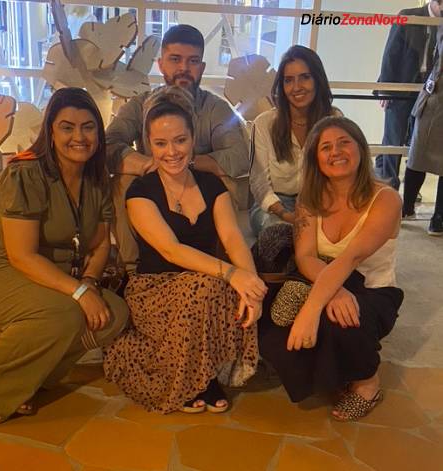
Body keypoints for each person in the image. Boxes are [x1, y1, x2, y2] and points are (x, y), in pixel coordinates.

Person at [0, 88, 129, 425]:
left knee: (114, 314)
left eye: (88, 127)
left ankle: (26, 382)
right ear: (50, 132)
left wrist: (89, 282)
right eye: (67, 127)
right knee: (65, 313)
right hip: (2, 271)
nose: (79, 137)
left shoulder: (96, 178)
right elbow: (22, 256)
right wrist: (79, 292)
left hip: (57, 278)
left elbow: (101, 244)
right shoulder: (26, 173)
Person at [103, 86, 266, 414]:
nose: (171, 152)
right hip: (154, 289)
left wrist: (251, 285)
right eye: (160, 143)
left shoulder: (212, 185)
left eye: (180, 140)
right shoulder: (140, 191)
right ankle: (196, 382)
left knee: (221, 286)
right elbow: (172, 251)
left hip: (205, 284)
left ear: (193, 140)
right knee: (208, 285)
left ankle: (204, 372)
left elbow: (232, 238)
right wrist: (232, 274)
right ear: (149, 144)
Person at [260, 116, 404, 421]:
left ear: (360, 148)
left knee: (339, 320)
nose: (335, 152)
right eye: (325, 147)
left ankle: (367, 383)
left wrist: (312, 308)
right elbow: (306, 257)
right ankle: (335, 374)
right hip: (325, 279)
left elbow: (351, 257)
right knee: (274, 324)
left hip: (371, 289)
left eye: (343, 143)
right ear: (316, 158)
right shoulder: (309, 199)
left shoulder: (386, 199)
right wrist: (333, 292)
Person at [106, 24, 249, 267]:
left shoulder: (215, 108)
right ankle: (131, 269)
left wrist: (187, 163)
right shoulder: (140, 105)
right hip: (153, 190)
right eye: (175, 59)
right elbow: (108, 144)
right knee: (123, 182)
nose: (184, 68)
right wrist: (148, 165)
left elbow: (239, 155)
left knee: (227, 183)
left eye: (193, 61)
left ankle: (223, 263)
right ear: (161, 64)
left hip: (199, 190)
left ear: (202, 67)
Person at [249, 45, 339, 236]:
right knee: (280, 232)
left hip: (318, 201)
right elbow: (259, 182)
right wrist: (286, 214)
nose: (297, 87)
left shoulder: (334, 120)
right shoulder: (264, 124)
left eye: (305, 77)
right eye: (288, 80)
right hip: (275, 206)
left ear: (317, 79)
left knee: (332, 233)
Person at [374, 1, 442, 190]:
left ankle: (401, 185)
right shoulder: (409, 15)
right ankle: (390, 186)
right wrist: (385, 88)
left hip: (427, 91)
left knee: (416, 140)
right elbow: (390, 53)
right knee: (393, 137)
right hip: (400, 87)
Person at [403, 20, 443, 236]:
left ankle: (437, 217)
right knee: (417, 154)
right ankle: (408, 207)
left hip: (433, 97)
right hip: (433, 97)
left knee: (418, 154)